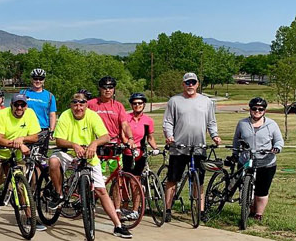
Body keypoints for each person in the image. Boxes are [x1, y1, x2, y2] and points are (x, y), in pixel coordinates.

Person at [48, 90, 134, 238]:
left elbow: (105, 136)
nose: (78, 108)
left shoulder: (92, 116)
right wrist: (74, 145)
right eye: (75, 104)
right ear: (71, 105)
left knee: (101, 190)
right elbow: (59, 140)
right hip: (69, 153)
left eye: (82, 105)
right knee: (53, 161)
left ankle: (118, 226)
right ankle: (59, 193)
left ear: (86, 105)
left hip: (89, 155)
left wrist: (94, 144)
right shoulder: (65, 116)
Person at [162, 72, 221, 215]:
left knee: (199, 181)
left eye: (193, 83)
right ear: (183, 84)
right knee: (173, 179)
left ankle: (200, 211)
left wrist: (215, 136)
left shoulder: (206, 101)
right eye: (187, 83)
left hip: (199, 147)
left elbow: (211, 122)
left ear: (197, 84)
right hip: (179, 147)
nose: (190, 85)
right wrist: (169, 136)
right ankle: (167, 209)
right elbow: (168, 122)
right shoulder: (174, 101)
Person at [0, 94, 47, 230]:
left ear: (26, 106)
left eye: (22, 105)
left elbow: (35, 136)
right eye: (16, 105)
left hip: (16, 154)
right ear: (11, 105)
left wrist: (22, 139)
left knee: (21, 186)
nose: (19, 108)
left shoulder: (30, 114)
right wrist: (18, 144)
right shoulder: (1, 115)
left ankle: (30, 218)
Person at [233, 97, 284, 219]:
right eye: (254, 108)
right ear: (250, 109)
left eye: (261, 109)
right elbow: (236, 140)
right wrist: (235, 154)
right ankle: (248, 209)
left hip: (266, 162)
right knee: (244, 187)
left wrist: (276, 148)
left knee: (261, 190)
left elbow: (279, 140)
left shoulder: (272, 124)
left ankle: (258, 214)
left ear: (264, 110)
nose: (257, 111)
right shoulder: (242, 124)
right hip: (246, 161)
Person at [119, 93, 158, 212]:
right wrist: (129, 144)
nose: (137, 105)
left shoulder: (148, 120)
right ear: (131, 104)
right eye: (135, 103)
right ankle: (124, 207)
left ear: (144, 105)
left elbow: (150, 138)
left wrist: (156, 148)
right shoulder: (126, 117)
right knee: (125, 181)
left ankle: (135, 210)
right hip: (127, 153)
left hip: (140, 154)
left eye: (140, 103)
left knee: (135, 182)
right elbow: (122, 135)